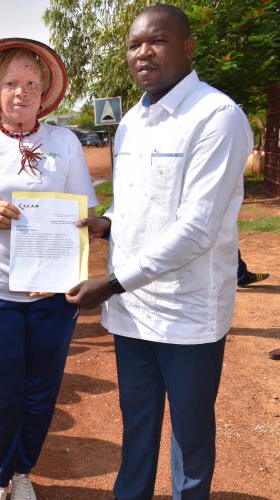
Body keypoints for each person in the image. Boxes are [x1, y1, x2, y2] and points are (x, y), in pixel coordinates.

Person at [65, 5, 253, 499]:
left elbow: (196, 229)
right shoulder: (130, 123)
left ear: (188, 48)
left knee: (191, 438)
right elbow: (138, 205)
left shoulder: (216, 117)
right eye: (134, 45)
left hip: (188, 314)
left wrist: (111, 283)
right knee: (137, 428)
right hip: (132, 312)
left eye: (158, 41)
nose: (143, 52)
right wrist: (107, 223)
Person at [0, 38, 97, 499]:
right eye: (11, 83)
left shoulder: (64, 142)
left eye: (31, 83)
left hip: (51, 297)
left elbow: (83, 214)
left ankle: (23, 470)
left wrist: (64, 272)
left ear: (45, 91)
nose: (21, 93)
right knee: (0, 394)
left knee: (41, 393)